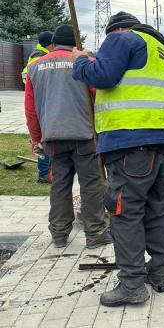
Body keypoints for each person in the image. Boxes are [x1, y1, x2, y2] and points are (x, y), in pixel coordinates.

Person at [71, 11, 164, 307]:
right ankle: (160, 274)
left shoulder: (122, 38)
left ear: (118, 29)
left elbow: (102, 76)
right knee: (160, 210)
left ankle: (133, 285)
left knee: (126, 213)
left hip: (132, 144)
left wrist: (81, 60)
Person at [24, 24, 112, 249]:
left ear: (53, 44)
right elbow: (98, 99)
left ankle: (59, 234)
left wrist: (37, 138)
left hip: (53, 136)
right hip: (84, 134)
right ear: (76, 44)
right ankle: (95, 234)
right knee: (91, 184)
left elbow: (31, 110)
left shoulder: (35, 67)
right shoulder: (86, 64)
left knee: (60, 184)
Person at [22, 31, 54, 183]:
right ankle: (43, 173)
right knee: (42, 140)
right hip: (39, 101)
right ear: (50, 43)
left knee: (44, 139)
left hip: (39, 99)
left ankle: (46, 172)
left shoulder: (39, 53)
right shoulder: (39, 56)